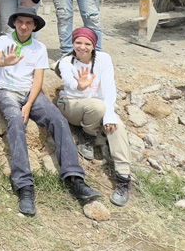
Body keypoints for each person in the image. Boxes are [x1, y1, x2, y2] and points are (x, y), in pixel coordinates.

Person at [0, 9, 101, 216]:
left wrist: (29, 103)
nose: (24, 26)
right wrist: (5, 61)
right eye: (20, 22)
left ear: (34, 26)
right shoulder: (3, 41)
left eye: (28, 23)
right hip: (7, 90)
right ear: (14, 23)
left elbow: (38, 79)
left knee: (58, 119)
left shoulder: (39, 47)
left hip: (31, 92)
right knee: (16, 121)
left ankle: (75, 178)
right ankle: (24, 186)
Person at [54, 27, 132, 206]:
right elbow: (68, 81)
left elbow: (109, 86)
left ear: (94, 45)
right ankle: (88, 135)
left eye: (87, 43)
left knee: (117, 126)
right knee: (97, 107)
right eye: (78, 43)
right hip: (72, 105)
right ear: (73, 43)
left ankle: (123, 177)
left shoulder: (103, 59)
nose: (82, 47)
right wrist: (79, 86)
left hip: (99, 107)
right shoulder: (67, 61)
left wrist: (110, 115)